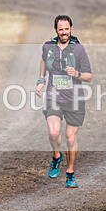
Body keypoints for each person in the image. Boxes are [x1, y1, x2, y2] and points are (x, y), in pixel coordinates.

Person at [36, 15, 92, 188]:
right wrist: (41, 80)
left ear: (71, 29)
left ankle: (70, 172)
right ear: (56, 30)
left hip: (74, 100)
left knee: (70, 138)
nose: (64, 32)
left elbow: (89, 76)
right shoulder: (48, 47)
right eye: (61, 29)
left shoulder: (79, 50)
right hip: (53, 97)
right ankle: (56, 156)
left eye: (67, 29)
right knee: (54, 133)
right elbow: (44, 60)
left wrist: (77, 74)